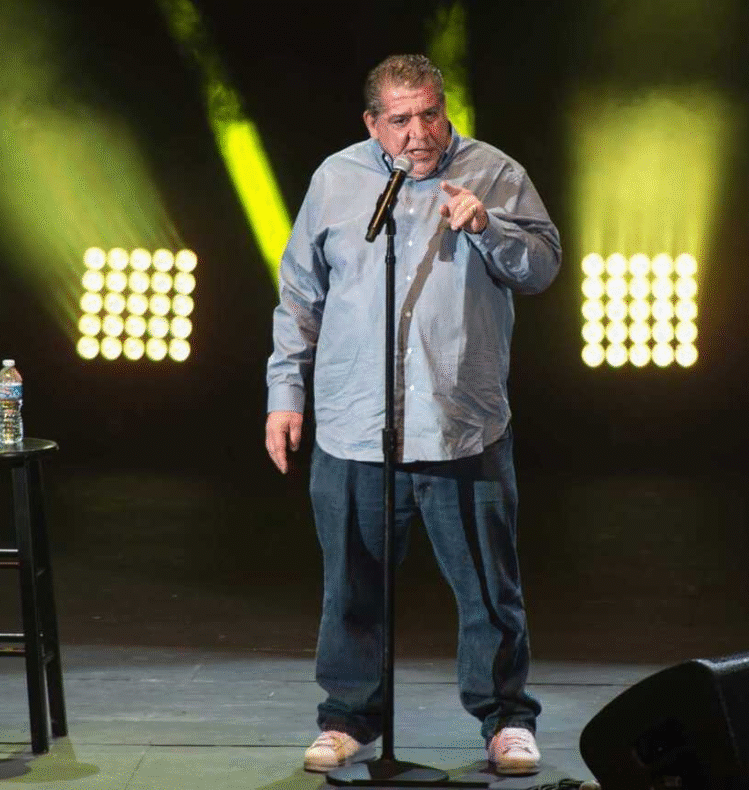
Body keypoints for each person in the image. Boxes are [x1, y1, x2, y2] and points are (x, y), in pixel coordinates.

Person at [265, 54, 561, 776]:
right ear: (373, 123)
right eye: (400, 120)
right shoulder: (337, 180)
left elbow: (542, 268)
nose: (419, 133)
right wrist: (285, 394)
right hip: (355, 423)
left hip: (462, 422)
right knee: (352, 585)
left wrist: (488, 225)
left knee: (488, 588)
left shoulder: (495, 171)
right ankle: (348, 718)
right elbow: (300, 294)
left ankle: (505, 720)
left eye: (430, 114)